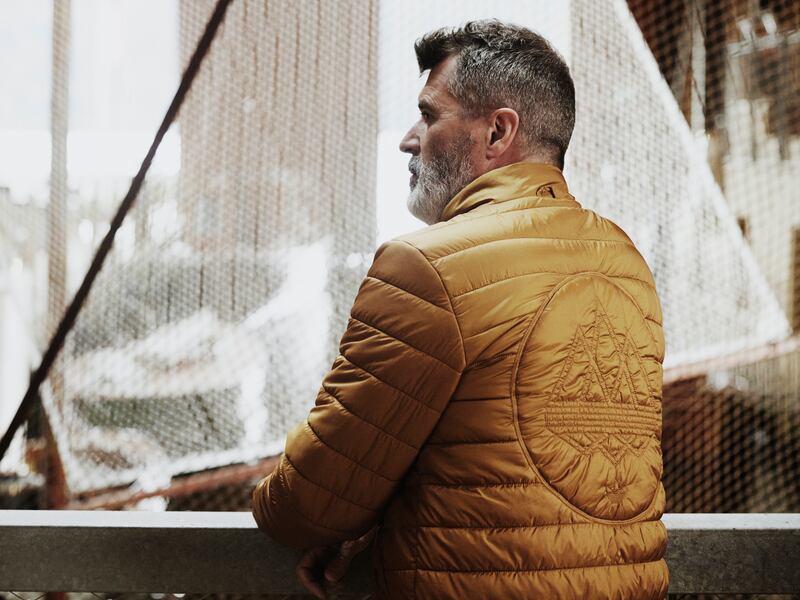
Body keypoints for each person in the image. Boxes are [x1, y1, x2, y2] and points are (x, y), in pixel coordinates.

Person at [252, 19, 668, 600]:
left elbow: (308, 504)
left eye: (429, 115)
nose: (408, 139)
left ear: (497, 131)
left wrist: (342, 512)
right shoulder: (625, 264)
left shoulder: (427, 269)